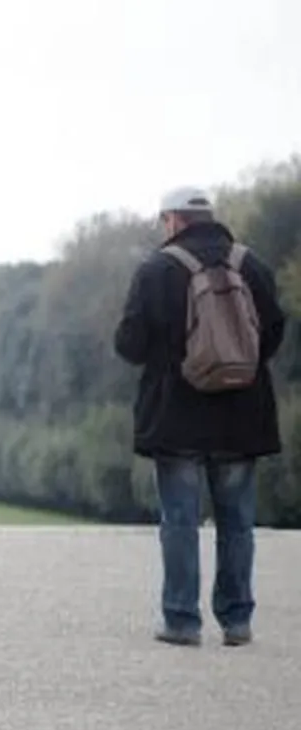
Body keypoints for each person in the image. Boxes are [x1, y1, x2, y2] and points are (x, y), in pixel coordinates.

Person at [114, 186, 286, 648]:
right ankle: (237, 621)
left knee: (180, 521)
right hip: (242, 413)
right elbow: (273, 332)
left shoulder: (156, 270)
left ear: (173, 220)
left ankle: (182, 620)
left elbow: (129, 344)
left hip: (176, 415)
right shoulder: (251, 265)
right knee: (237, 523)